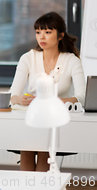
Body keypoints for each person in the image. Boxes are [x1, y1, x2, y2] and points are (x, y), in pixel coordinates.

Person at [9, 11, 85, 171]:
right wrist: (20, 99)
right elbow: (12, 95)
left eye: (48, 32)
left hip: (55, 121)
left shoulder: (72, 61)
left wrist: (53, 102)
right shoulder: (27, 58)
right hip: (29, 119)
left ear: (60, 36)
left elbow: (82, 97)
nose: (41, 37)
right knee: (26, 149)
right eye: (38, 32)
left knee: (44, 151)